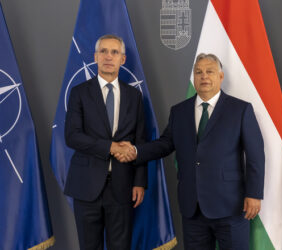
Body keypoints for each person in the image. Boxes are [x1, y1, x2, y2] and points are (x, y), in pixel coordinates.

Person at [116, 53, 265, 250]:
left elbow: (256, 156)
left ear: (220, 77)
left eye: (209, 72)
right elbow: (165, 144)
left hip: (230, 205)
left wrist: (254, 194)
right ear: (193, 78)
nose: (204, 76)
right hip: (192, 207)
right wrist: (135, 151)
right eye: (198, 72)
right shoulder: (179, 111)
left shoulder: (240, 110)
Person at [64, 34, 147, 250]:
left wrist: (139, 181)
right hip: (86, 185)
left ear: (123, 59)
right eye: (104, 52)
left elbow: (141, 140)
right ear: (95, 57)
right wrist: (110, 147)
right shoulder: (79, 93)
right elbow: (72, 136)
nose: (108, 56)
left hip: (123, 185)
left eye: (114, 52)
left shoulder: (135, 96)